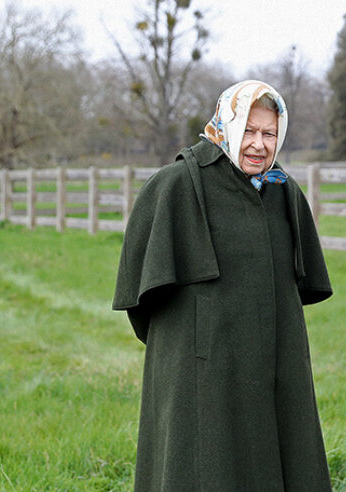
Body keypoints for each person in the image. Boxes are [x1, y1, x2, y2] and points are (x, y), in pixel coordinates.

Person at [112, 80, 334, 491]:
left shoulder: (284, 192)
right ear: (226, 124)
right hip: (202, 370)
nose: (258, 145)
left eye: (269, 133)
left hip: (274, 365)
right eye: (248, 130)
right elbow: (141, 298)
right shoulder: (177, 185)